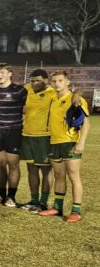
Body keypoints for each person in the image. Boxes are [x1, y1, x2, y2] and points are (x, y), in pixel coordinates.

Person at [39, 70, 90, 222]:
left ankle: (76, 211)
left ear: (67, 82)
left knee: (73, 175)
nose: (57, 83)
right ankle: (57, 207)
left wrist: (81, 142)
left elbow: (86, 122)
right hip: (55, 142)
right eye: (54, 81)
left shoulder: (75, 98)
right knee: (59, 175)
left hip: (70, 142)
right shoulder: (54, 98)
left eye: (60, 80)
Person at [0, 63, 27, 207]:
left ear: (10, 73)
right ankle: (0, 194)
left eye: (2, 72)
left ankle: (12, 196)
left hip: (14, 131)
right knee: (0, 164)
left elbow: (30, 106)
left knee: (13, 164)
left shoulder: (20, 90)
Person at [19, 69, 57, 212]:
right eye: (32, 80)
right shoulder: (27, 89)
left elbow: (71, 94)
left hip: (44, 136)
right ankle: (34, 200)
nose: (35, 83)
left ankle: (43, 202)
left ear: (46, 80)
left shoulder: (52, 93)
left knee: (46, 170)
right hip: (27, 135)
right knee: (31, 169)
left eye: (38, 81)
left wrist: (77, 93)